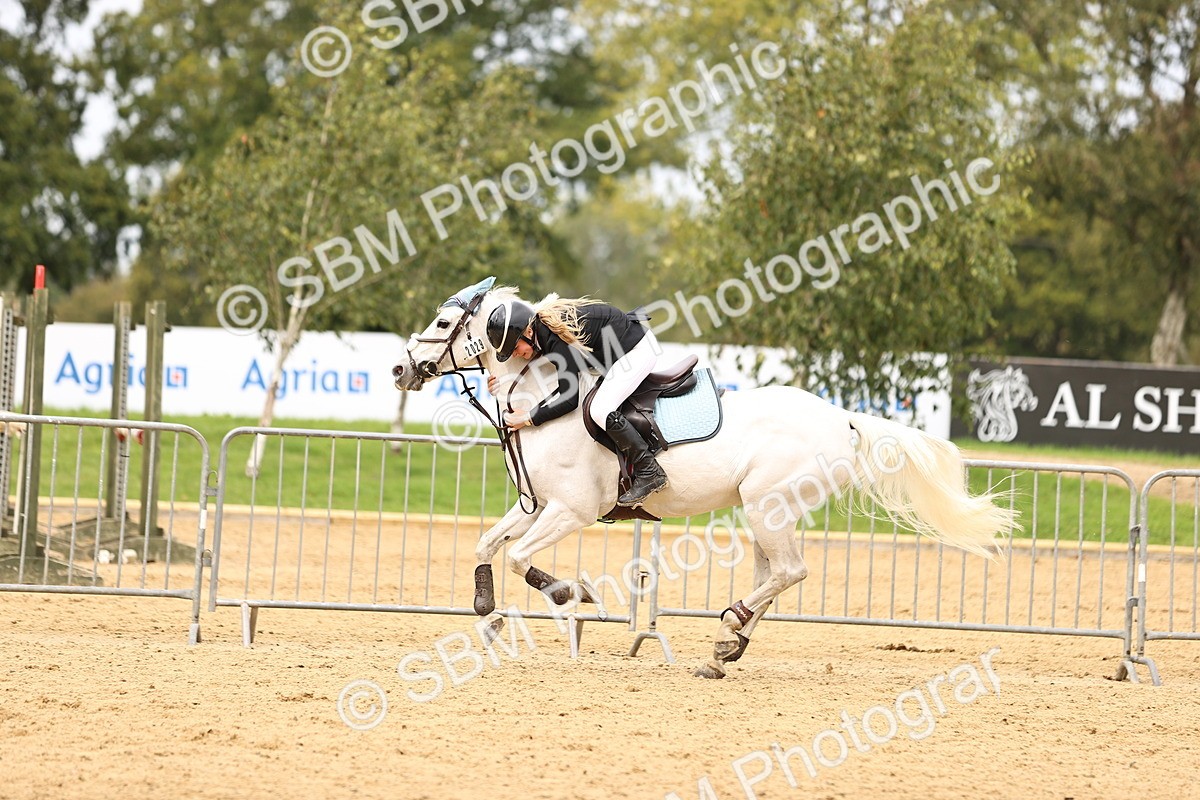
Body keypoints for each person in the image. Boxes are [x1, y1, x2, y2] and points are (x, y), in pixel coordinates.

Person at [485, 293, 668, 508]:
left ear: (529, 332)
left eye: (515, 348)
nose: (515, 355)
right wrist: (501, 384)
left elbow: (569, 399)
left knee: (600, 410)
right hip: (617, 352)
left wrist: (528, 418)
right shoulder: (542, 330)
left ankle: (650, 471)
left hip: (636, 351)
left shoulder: (555, 340)